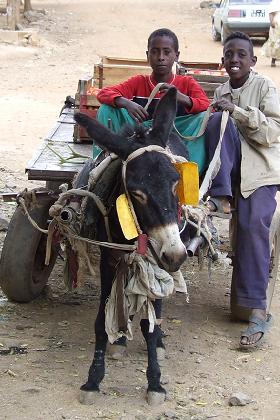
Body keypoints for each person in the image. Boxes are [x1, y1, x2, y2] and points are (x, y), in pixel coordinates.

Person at [205, 31, 280, 349]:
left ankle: (258, 311)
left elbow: (274, 131)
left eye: (241, 55)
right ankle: (220, 195)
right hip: (231, 174)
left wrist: (236, 112)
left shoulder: (264, 87)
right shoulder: (221, 90)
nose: (234, 59)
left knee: (251, 226)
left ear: (252, 60)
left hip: (259, 172)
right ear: (222, 61)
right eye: (229, 55)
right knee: (214, 120)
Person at [96, 28, 210, 173]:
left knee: (202, 118)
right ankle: (103, 165)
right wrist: (126, 103)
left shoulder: (186, 83)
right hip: (140, 134)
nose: (160, 57)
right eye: (155, 52)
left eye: (167, 52)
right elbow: (104, 93)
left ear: (176, 55)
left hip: (174, 134)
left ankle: (189, 170)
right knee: (106, 109)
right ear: (147, 55)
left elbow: (206, 105)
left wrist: (181, 97)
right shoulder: (138, 82)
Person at [261, 0, 280, 67]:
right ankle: (273, 60)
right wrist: (272, 23)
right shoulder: (275, 2)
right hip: (276, 26)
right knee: (275, 43)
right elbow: (271, 13)